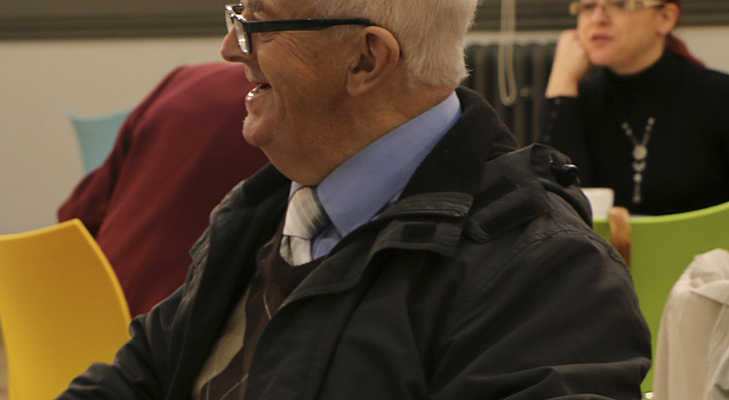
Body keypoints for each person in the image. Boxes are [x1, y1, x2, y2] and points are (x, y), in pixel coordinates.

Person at [60, 0, 651, 398]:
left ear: (366, 59)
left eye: (255, 23)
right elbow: (137, 378)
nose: (229, 48)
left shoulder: (545, 275)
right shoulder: (263, 209)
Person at [58, 62, 268, 316]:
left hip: (79, 323)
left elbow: (77, 214)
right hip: (183, 336)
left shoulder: (185, 81)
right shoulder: (296, 120)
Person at [542, 0, 729, 216]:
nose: (598, 19)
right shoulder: (576, 100)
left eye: (620, 4)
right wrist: (561, 82)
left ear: (665, 18)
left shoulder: (718, 96)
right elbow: (555, 210)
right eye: (588, 6)